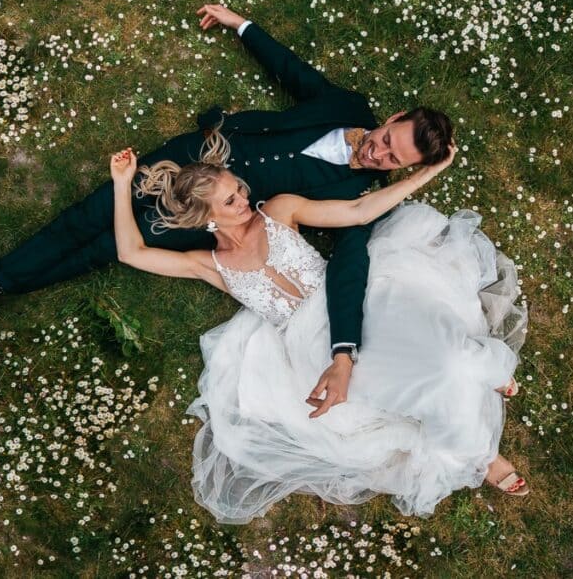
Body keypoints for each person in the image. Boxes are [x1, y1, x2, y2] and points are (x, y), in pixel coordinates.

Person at [0, 4, 454, 410]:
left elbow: (350, 269)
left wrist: (344, 350)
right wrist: (242, 26)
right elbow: (295, 73)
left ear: (401, 170)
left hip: (206, 216)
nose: (377, 153)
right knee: (84, 215)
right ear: (390, 119)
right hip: (196, 159)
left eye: (391, 161)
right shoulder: (346, 105)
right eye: (385, 138)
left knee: (105, 246)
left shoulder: (360, 197)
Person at [106, 128, 529, 523]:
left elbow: (359, 209)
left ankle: (479, 368)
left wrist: (428, 171)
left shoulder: (279, 210)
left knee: (434, 340)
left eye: (238, 187)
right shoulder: (210, 265)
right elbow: (132, 253)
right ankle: (481, 454)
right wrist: (123, 183)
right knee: (412, 382)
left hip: (353, 297)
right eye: (231, 201)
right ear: (206, 219)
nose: (243, 198)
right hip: (311, 342)